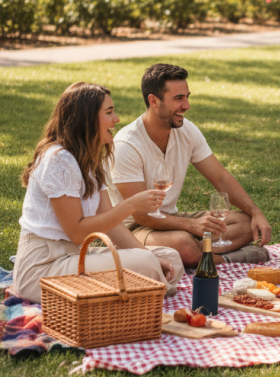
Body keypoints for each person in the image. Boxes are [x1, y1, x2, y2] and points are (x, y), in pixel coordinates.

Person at [13, 83, 184, 304]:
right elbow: (76, 233)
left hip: (75, 257)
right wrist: (130, 206)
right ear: (87, 118)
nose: (117, 118)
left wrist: (149, 256)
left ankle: (138, 286)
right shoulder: (58, 160)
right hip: (43, 267)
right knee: (146, 264)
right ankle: (141, 288)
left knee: (170, 258)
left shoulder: (89, 160)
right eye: (109, 112)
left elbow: (110, 224)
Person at [108, 64, 271, 267]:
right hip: (133, 229)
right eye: (178, 99)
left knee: (245, 223)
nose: (186, 106)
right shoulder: (127, 145)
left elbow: (220, 177)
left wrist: (256, 212)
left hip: (171, 219)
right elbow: (142, 216)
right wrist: (192, 226)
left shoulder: (187, 131)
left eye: (187, 97)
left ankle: (196, 251)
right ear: (153, 101)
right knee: (183, 244)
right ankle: (224, 257)